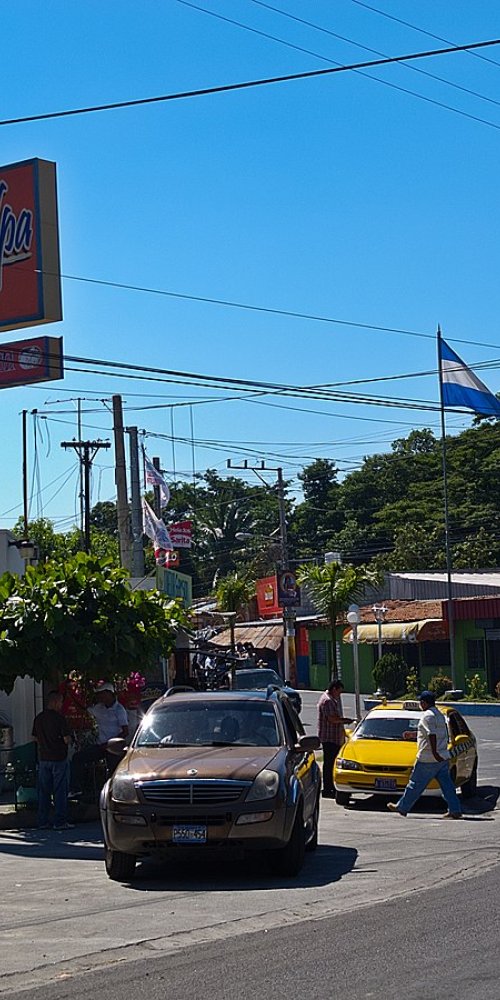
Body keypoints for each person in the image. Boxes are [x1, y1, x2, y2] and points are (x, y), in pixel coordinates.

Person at [387, 690, 463, 819]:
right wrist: (413, 735)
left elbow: (431, 735)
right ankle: (455, 809)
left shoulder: (427, 716)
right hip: (442, 757)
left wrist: (434, 752)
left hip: (428, 758)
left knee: (415, 784)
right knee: (447, 786)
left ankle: (402, 807)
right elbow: (430, 733)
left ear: (424, 703)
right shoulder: (439, 715)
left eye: (420, 702)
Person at [70, 682, 129, 794]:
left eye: (102, 694)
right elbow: (84, 709)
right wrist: (72, 696)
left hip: (114, 747)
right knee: (78, 758)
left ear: (109, 694)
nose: (100, 697)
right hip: (101, 746)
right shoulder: (99, 708)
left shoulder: (119, 710)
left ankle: (115, 792)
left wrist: (111, 743)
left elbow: (125, 731)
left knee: (114, 770)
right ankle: (77, 790)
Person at [32, 690, 74, 830]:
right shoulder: (60, 719)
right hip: (59, 758)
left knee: (43, 791)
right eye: (61, 702)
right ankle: (59, 821)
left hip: (44, 758)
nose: (61, 705)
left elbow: (35, 738)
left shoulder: (39, 718)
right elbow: (66, 739)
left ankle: (42, 821)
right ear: (55, 702)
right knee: (60, 790)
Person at [317, 679, 352, 799]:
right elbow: (332, 719)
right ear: (334, 689)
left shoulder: (332, 700)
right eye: (339, 692)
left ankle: (331, 786)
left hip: (334, 738)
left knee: (331, 763)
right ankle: (328, 788)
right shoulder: (327, 701)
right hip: (329, 738)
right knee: (329, 764)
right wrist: (345, 720)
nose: (339, 695)